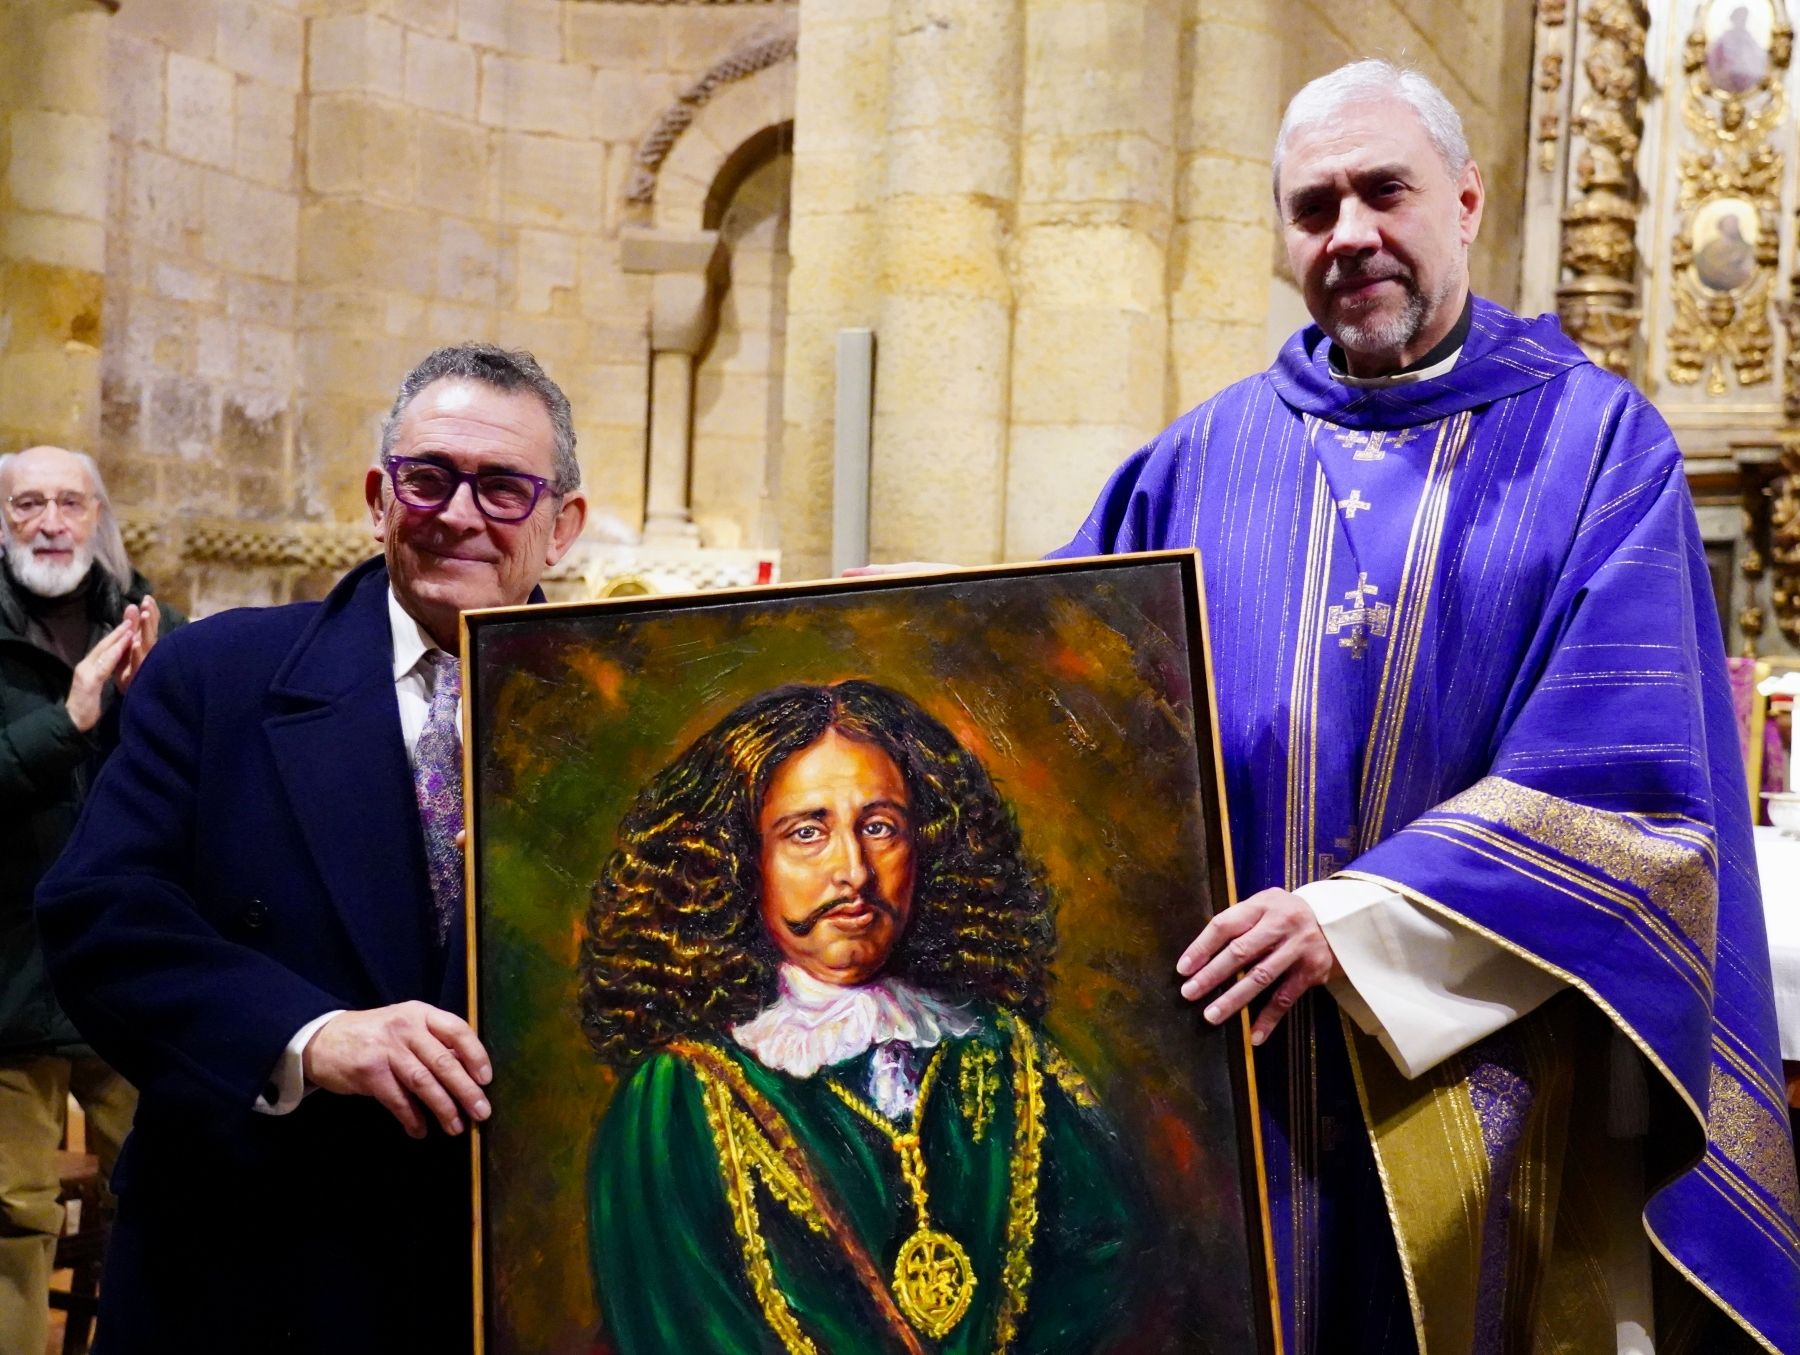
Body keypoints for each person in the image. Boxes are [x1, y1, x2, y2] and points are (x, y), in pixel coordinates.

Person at [1055, 59, 1800, 1355]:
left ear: (1464, 200)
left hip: (1485, 1088)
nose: (1349, 234)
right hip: (1220, 1076)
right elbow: (1059, 723)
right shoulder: (1186, 463)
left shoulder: (1599, 448)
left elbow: (1631, 781)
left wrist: (1355, 924)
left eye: (1382, 191)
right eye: (1313, 207)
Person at [35, 343, 588, 1352]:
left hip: (527, 1277)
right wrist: (310, 1033)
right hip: (261, 1259)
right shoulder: (221, 674)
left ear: (563, 526)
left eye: (505, 486)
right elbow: (101, 915)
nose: (460, 512)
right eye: (430, 476)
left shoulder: (617, 715)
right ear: (380, 497)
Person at [580, 680, 1142, 1354]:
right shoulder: (673, 1102)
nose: (853, 870)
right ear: (737, 859)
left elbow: (1108, 1268)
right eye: (806, 832)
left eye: (879, 826)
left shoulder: (1008, 1051)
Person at [0, 445, 178, 1354]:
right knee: (11, 1224)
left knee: (175, 1202)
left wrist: (150, 711)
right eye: (27, 502)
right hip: (7, 981)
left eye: (69, 501)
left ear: (100, 513)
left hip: (127, 971)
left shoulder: (156, 624)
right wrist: (67, 719)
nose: (50, 521)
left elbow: (199, 788)